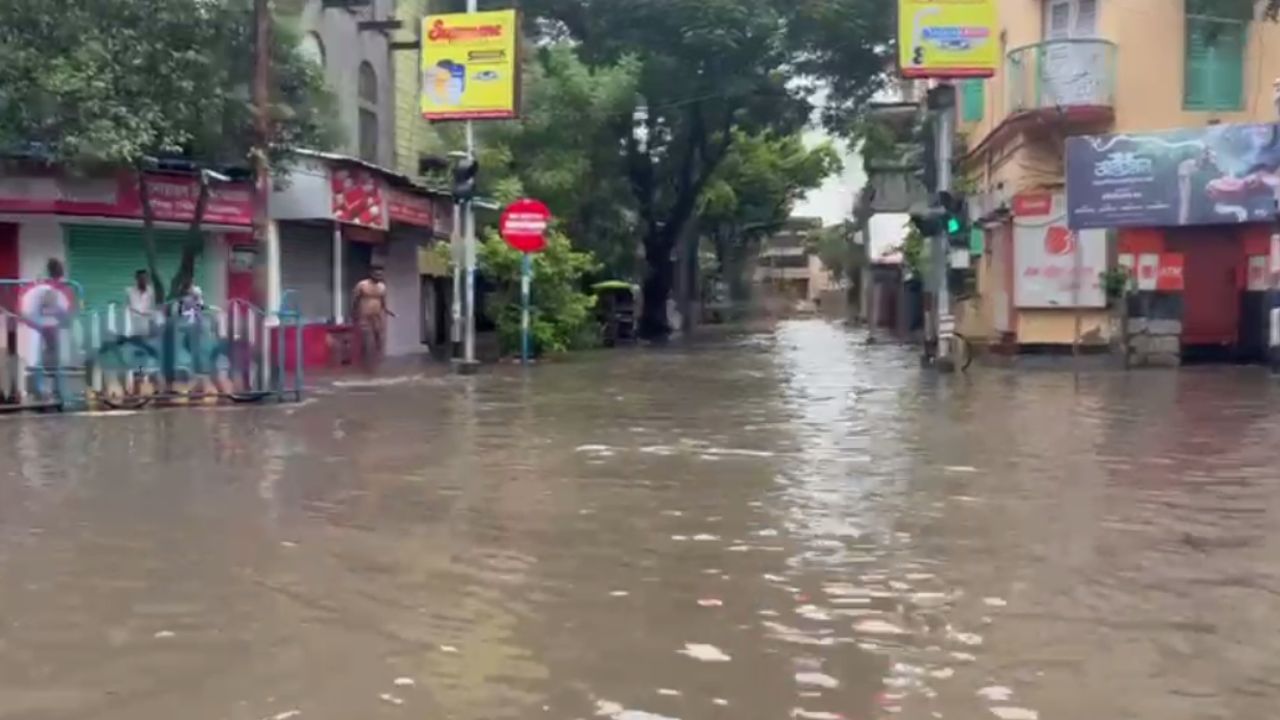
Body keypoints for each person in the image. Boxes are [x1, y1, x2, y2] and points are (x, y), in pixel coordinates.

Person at [352, 266, 393, 369]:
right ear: (371, 273)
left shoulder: (382, 286)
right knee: (367, 339)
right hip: (364, 315)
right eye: (376, 274)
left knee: (379, 338)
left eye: (380, 274)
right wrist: (354, 313)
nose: (379, 276)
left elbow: (383, 301)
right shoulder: (362, 285)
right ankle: (366, 363)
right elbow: (355, 300)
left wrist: (387, 310)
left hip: (378, 316)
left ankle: (377, 362)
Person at [126, 269, 156, 335]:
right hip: (135, 320)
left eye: (145, 278)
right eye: (141, 278)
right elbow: (127, 307)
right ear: (136, 279)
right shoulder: (130, 291)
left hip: (147, 320)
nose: (143, 280)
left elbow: (153, 306)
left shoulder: (151, 291)